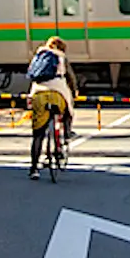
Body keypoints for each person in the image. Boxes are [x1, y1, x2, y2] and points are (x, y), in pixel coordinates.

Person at [27, 36, 77, 180]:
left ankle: (34, 168)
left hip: (38, 93)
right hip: (57, 93)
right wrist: (74, 91)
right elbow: (70, 77)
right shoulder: (61, 57)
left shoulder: (39, 55)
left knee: (38, 134)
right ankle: (66, 134)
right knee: (68, 110)